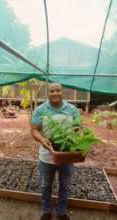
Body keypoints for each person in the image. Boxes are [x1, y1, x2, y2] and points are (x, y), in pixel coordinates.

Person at [31, 83, 81, 220]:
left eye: (57, 90)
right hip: (47, 155)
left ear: (62, 92)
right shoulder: (40, 110)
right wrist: (42, 140)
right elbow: (34, 129)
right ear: (48, 93)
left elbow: (77, 128)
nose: (55, 93)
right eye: (52, 91)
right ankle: (46, 211)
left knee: (65, 185)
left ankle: (62, 212)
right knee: (45, 185)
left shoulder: (72, 109)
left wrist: (77, 140)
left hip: (66, 156)